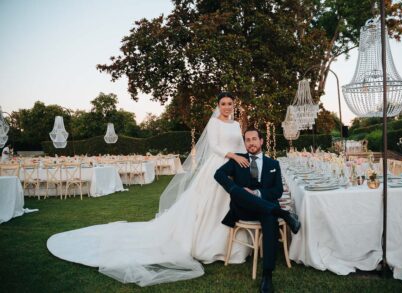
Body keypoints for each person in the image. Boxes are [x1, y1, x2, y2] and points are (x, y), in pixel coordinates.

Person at [47, 92, 252, 286]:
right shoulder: (214, 123)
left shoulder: (236, 125)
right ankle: (207, 245)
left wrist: (245, 162)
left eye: (230, 104)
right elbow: (215, 146)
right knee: (210, 204)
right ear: (218, 106)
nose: (226, 107)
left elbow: (241, 146)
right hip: (217, 165)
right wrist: (233, 156)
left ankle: (233, 245)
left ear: (234, 106)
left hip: (237, 167)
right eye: (223, 103)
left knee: (231, 202)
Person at [214, 128, 301, 293]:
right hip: (243, 209)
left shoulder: (273, 164)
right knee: (238, 191)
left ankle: (267, 275)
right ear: (244, 142)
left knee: (270, 221)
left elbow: (277, 191)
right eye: (247, 140)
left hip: (265, 207)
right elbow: (218, 174)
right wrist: (234, 187)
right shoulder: (238, 160)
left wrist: (257, 193)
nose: (251, 143)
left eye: (254, 139)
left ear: (261, 141)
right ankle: (283, 214)